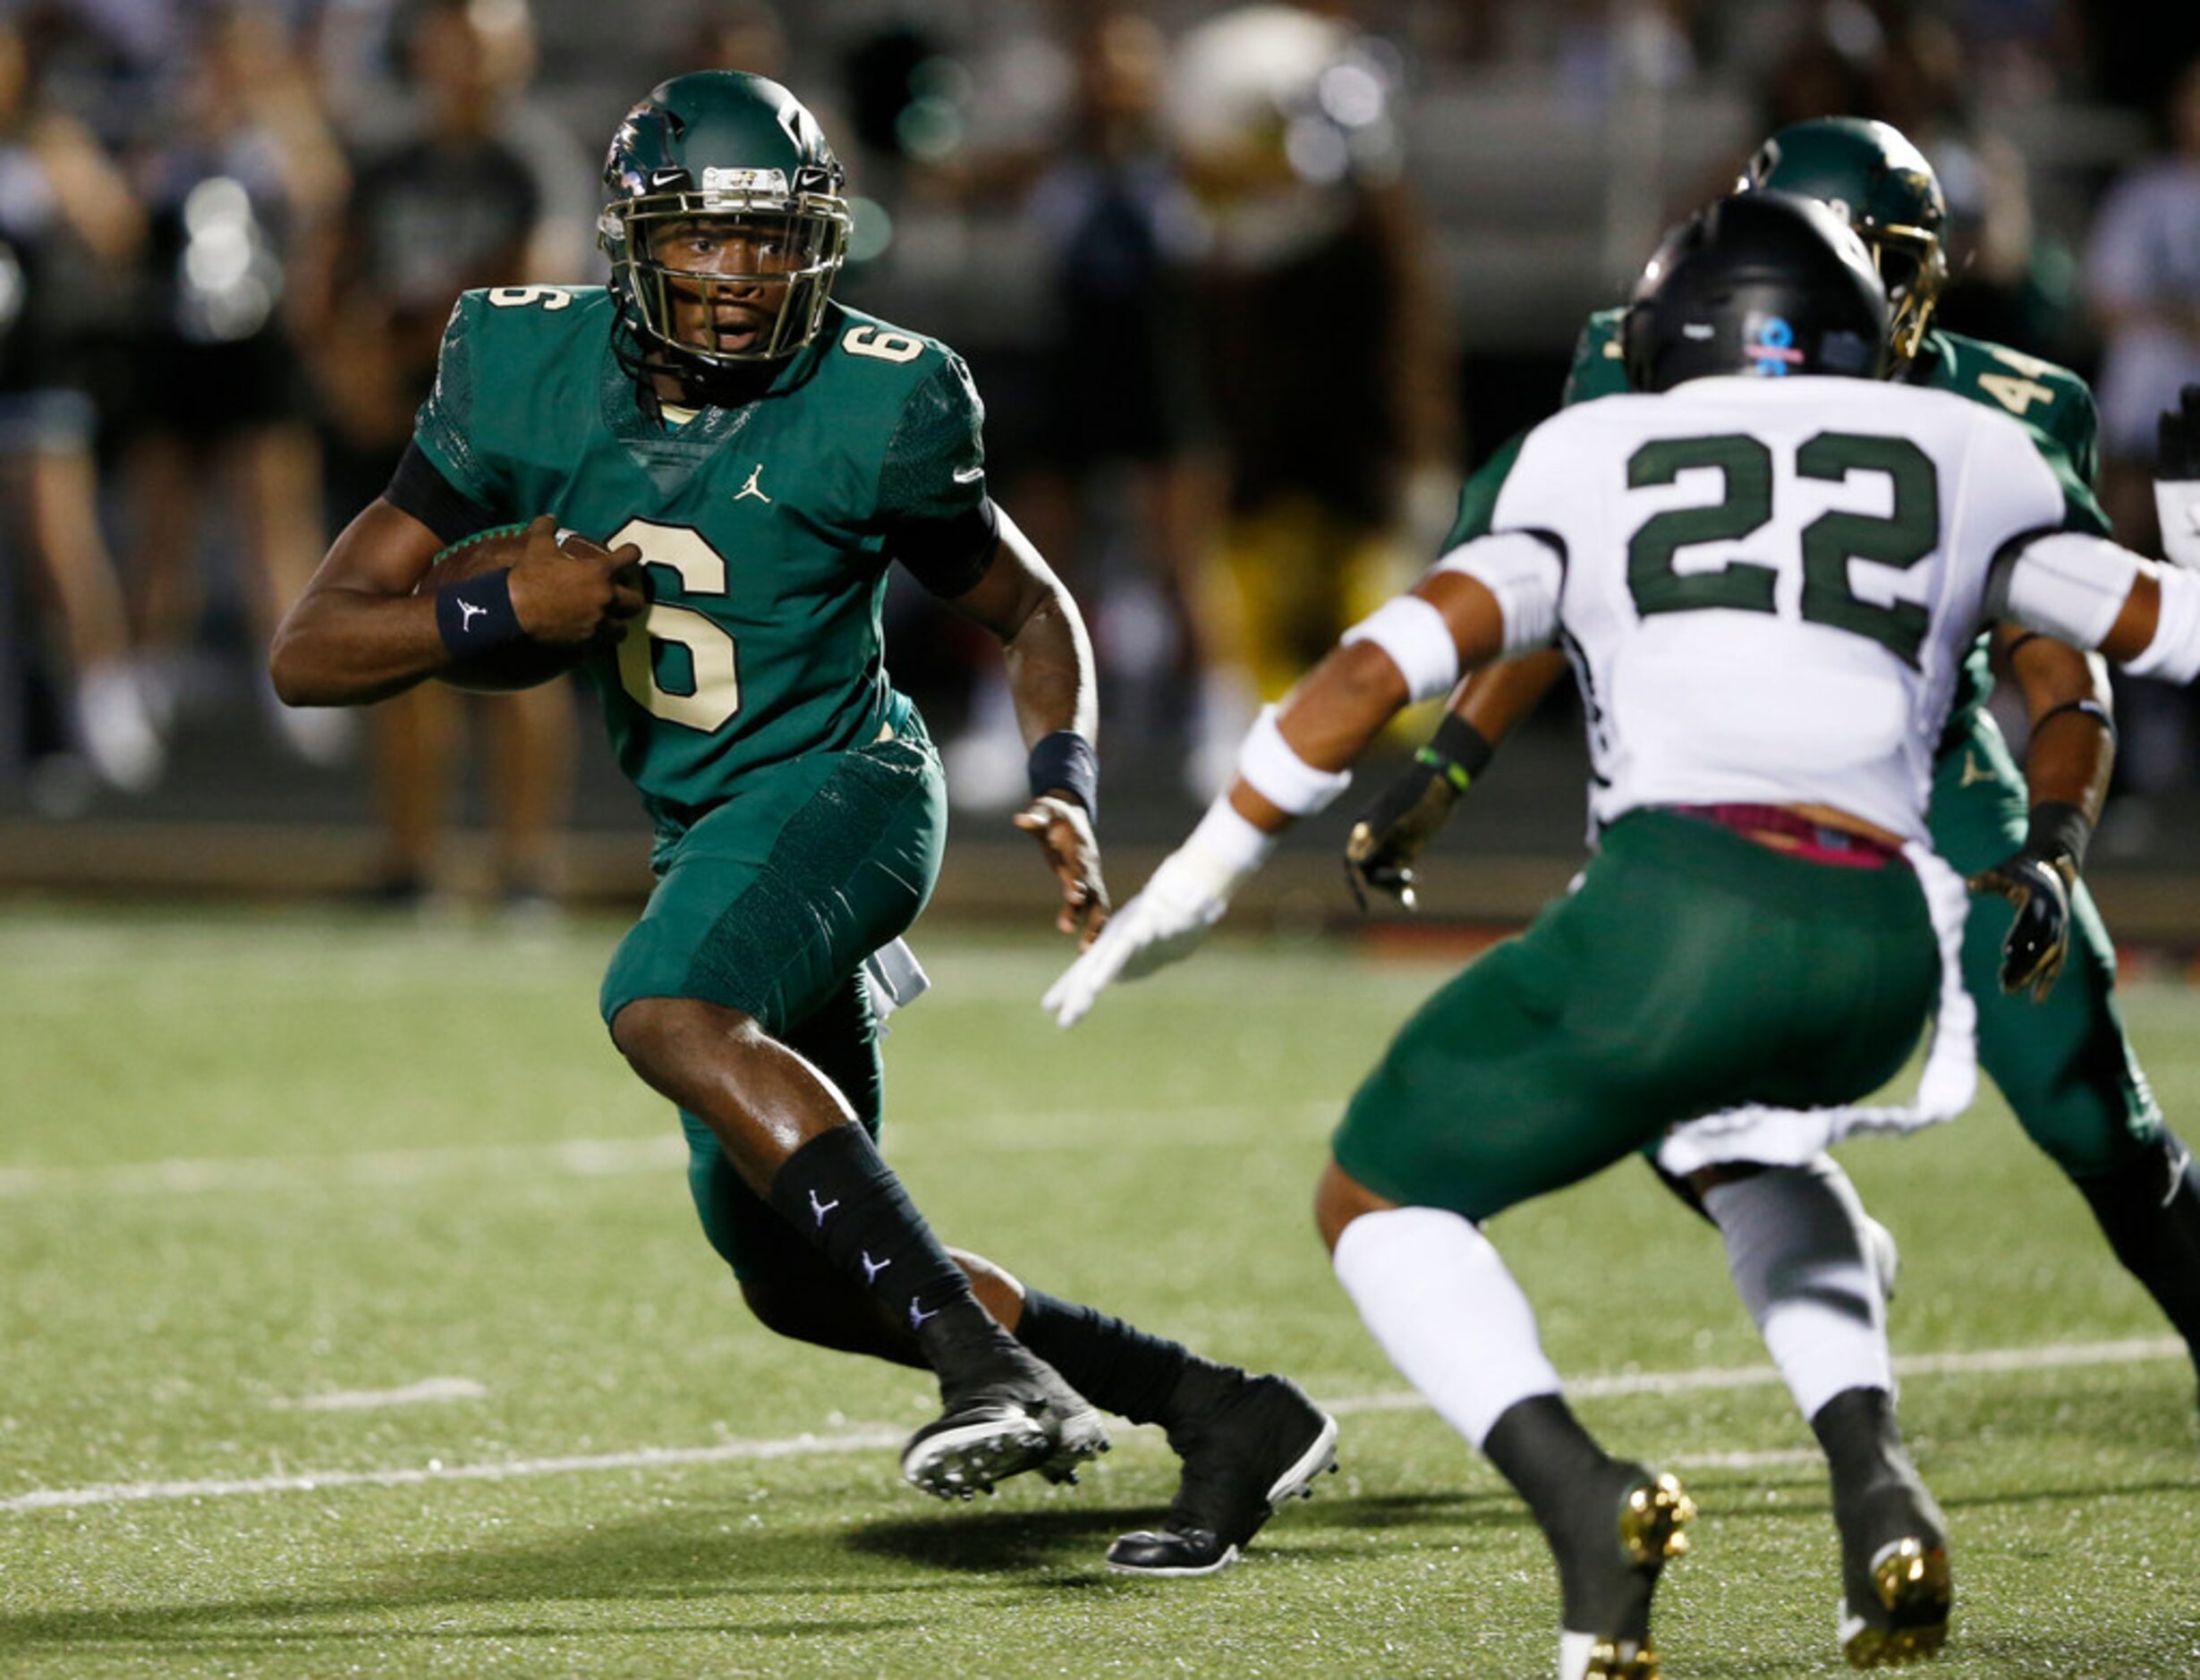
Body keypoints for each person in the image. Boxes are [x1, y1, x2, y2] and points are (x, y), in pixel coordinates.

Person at [1045, 191, 2200, 1674]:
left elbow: (1368, 667)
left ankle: (1582, 1504)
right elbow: (2163, 633)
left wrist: (1194, 878)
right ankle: (1874, 1484)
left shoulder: (1590, 445)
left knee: (1371, 1194)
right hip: (1880, 944)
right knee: (1740, 1143)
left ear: (1667, 335)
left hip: (1680, 901)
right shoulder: (1969, 445)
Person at [268, 70, 1333, 1573]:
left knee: (661, 1004)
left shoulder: (881, 391)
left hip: (845, 786)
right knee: (800, 1272)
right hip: (712, 828)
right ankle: (1222, 1408)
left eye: (771, 240)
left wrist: (1063, 775)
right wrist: (501, 600)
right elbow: (310, 647)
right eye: (704, 240)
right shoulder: (517, 365)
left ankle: (990, 1371)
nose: (739, 273)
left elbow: (1030, 605)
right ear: (633, 242)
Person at [1349, 118, 2200, 1407]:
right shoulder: (1637, 363)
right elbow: (1541, 582)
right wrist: (1446, 769)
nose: (1905, 289)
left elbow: (2054, 660)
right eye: (1868, 254)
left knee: (2091, 1118)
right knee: (1656, 1066)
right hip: (1704, 777)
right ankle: (1822, 1249)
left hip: (1930, 784)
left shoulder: (2011, 402)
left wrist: (2051, 837)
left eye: (1908, 257)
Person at [311, 0, 580, 908]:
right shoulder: (384, 162)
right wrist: (350, 367)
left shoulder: (532, 160)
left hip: (501, 434)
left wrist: (403, 343)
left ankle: (525, 863)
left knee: (521, 638)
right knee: (397, 642)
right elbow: (328, 277)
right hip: (399, 430)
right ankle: (410, 860)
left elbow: (526, 289)